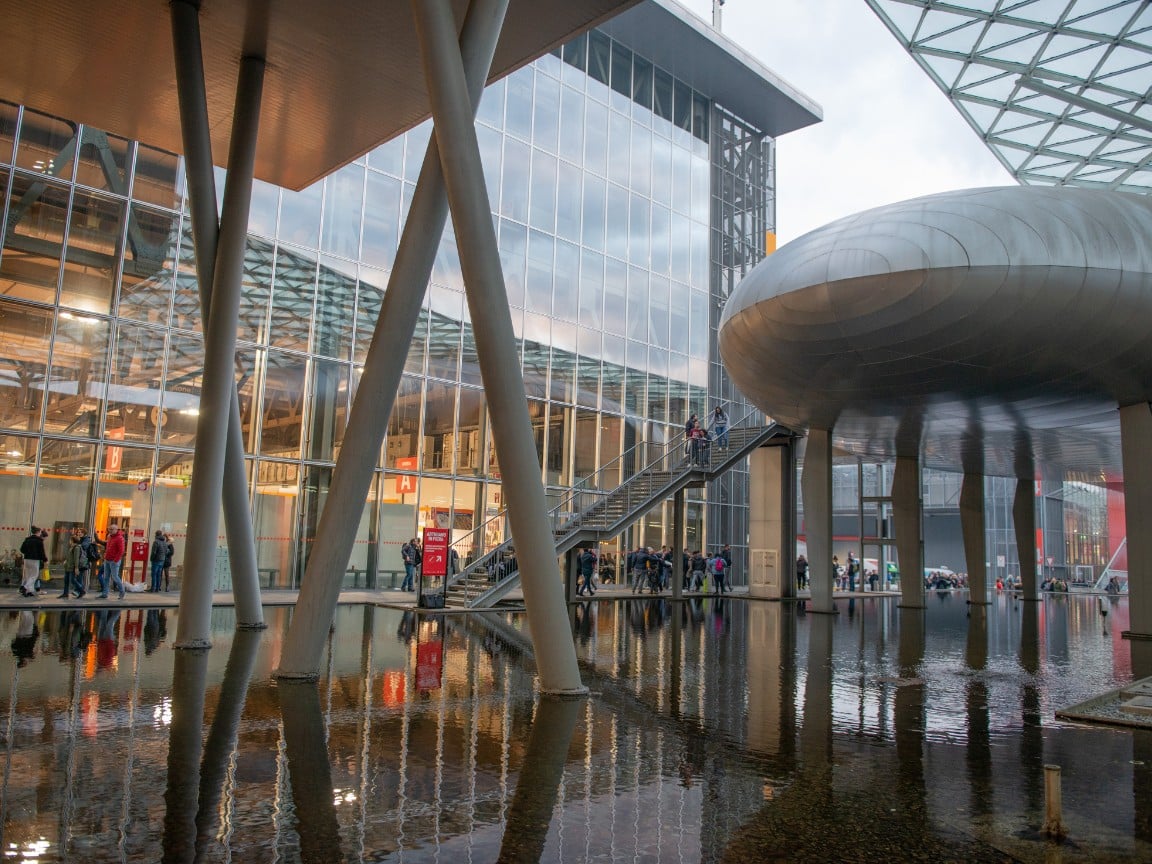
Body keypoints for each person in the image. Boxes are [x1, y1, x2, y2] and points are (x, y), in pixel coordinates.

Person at [19, 525, 46, 598]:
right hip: (35, 560)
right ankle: (25, 587)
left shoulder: (27, 539)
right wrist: (45, 559)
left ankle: (29, 591)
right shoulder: (39, 541)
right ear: (38, 532)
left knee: (28, 576)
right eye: (40, 532)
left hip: (26, 559)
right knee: (34, 575)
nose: (40, 533)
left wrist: (27, 553)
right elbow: (41, 552)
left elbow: (22, 549)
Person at [101, 525, 126, 600]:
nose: (110, 530)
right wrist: (105, 556)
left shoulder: (119, 538)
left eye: (112, 529)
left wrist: (116, 560)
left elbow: (121, 550)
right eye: (109, 529)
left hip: (114, 561)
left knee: (115, 577)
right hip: (107, 560)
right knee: (106, 577)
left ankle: (122, 591)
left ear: (116, 529)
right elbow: (108, 547)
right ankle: (105, 593)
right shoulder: (109, 536)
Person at [59, 531, 86, 599]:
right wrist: (66, 561)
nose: (69, 541)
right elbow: (70, 557)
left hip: (72, 567)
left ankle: (81, 590)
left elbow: (76, 558)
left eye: (70, 540)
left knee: (73, 580)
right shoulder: (71, 547)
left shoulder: (77, 548)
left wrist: (76, 568)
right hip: (68, 566)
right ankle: (65, 593)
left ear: (72, 541)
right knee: (66, 580)